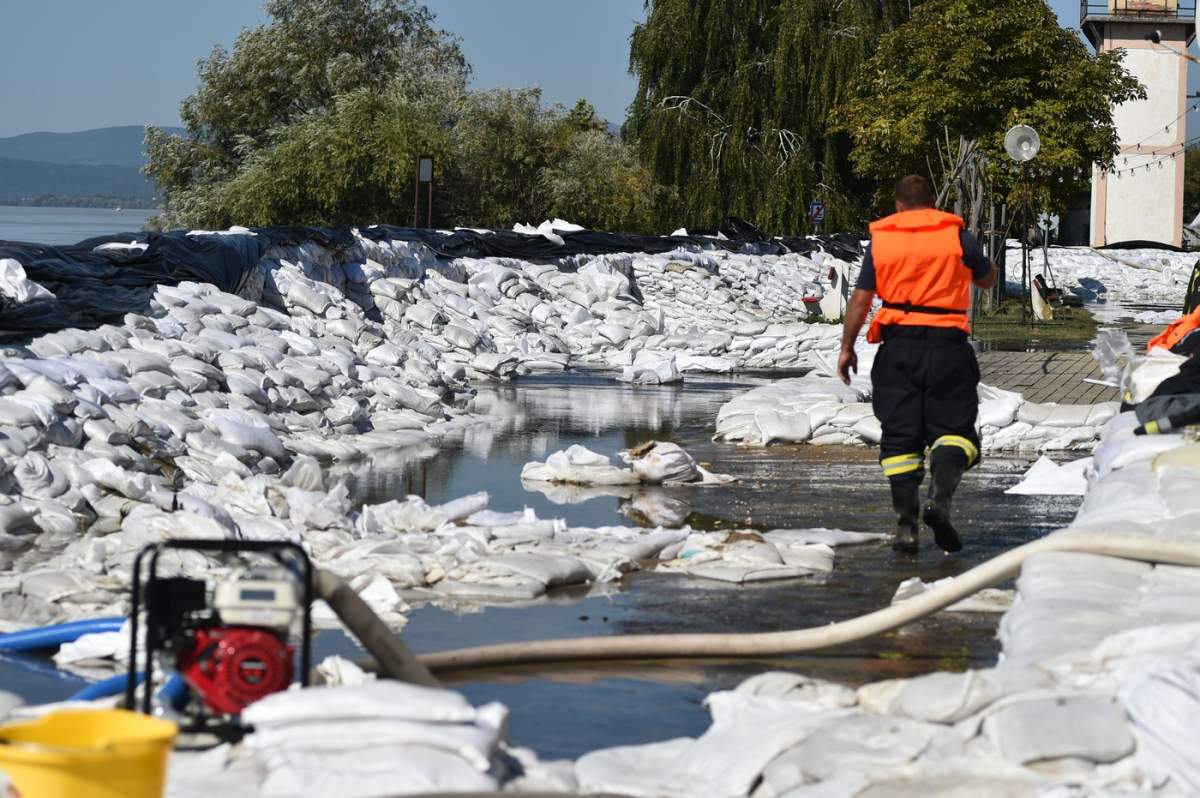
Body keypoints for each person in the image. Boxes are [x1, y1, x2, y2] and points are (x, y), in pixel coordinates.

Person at [837, 175, 996, 554]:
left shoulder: (883, 240)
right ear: (933, 203)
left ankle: (907, 528)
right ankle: (939, 502)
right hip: (948, 346)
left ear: (898, 205)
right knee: (954, 430)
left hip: (899, 348)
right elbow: (988, 279)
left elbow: (860, 299)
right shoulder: (956, 236)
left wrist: (847, 347)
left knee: (900, 437)